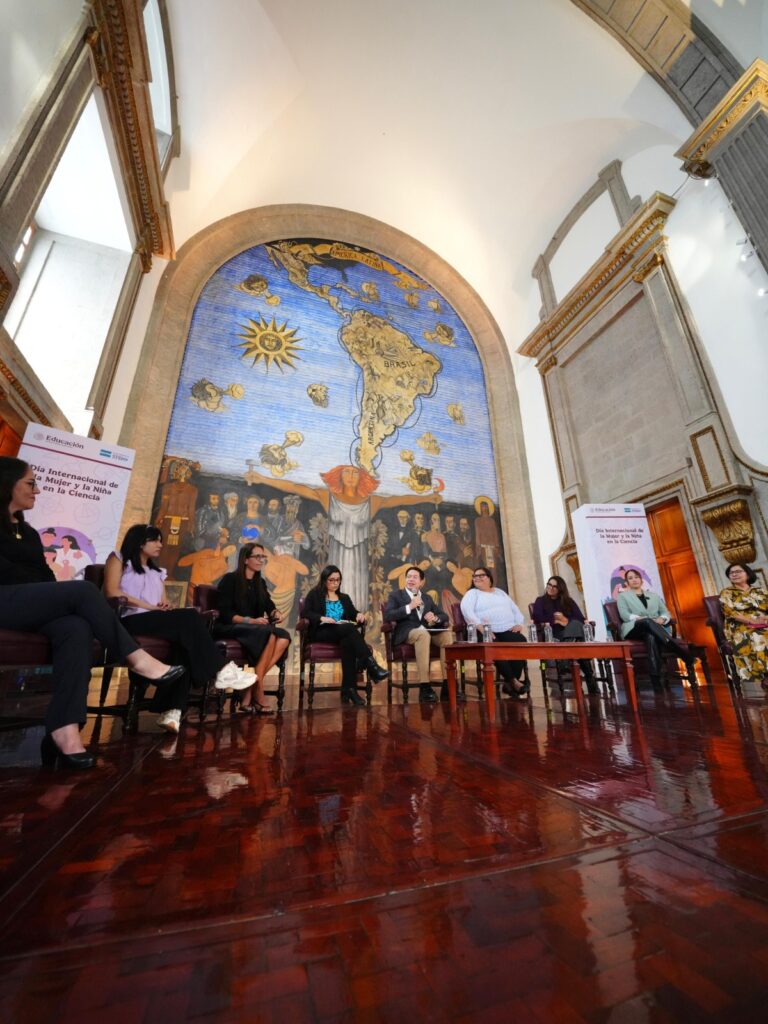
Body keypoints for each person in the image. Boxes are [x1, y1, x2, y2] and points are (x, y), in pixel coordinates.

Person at [0, 457, 185, 769]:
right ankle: (137, 659)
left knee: (75, 627)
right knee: (85, 590)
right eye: (31, 483)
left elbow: (44, 577)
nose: (38, 490)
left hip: (27, 604)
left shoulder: (29, 534)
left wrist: (47, 595)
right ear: (7, 485)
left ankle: (65, 728)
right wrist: (45, 592)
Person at [104, 524, 255, 732]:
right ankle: (220, 670)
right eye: (155, 540)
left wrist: (164, 606)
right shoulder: (119, 559)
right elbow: (111, 592)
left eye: (160, 540)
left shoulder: (157, 572)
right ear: (140, 541)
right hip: (130, 621)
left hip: (154, 619)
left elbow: (162, 601)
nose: (160, 544)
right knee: (189, 619)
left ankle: (172, 711)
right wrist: (148, 606)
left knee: (185, 642)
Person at [215, 543, 293, 713]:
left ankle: (250, 689)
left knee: (285, 636)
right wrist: (251, 621)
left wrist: (275, 612)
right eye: (257, 556)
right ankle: (258, 692)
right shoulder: (230, 580)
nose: (261, 560)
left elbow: (269, 604)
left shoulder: (260, 583)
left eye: (263, 557)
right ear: (245, 559)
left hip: (256, 628)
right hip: (231, 626)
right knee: (269, 634)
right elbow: (226, 614)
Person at [302, 564, 389, 706]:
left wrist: (359, 615)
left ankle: (350, 689)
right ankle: (372, 666)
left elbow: (353, 613)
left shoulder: (344, 597)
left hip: (341, 632)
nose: (335, 583)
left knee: (348, 642)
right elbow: (306, 613)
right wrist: (322, 618)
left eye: (338, 580)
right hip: (322, 632)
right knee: (348, 628)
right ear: (324, 580)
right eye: (332, 580)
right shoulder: (315, 594)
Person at [384, 565, 454, 702]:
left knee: (446, 635)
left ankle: (448, 685)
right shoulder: (396, 595)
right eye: (408, 576)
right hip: (407, 632)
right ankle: (425, 686)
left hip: (427, 631)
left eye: (415, 577)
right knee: (423, 635)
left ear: (422, 582)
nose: (411, 579)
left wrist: (435, 617)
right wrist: (409, 607)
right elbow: (388, 615)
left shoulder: (427, 598)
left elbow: (444, 616)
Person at [617, 568, 693, 689]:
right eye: (630, 578)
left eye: (636, 577)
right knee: (647, 622)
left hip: (652, 629)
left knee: (650, 636)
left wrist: (662, 619)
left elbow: (665, 612)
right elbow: (625, 615)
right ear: (627, 583)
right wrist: (643, 619)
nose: (634, 580)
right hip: (633, 628)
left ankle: (655, 680)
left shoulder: (653, 596)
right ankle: (677, 649)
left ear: (641, 580)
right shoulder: (623, 596)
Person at [460, 567, 529, 697]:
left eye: (481, 575)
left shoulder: (500, 592)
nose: (477, 578)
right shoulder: (473, 593)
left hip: (506, 628)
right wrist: (481, 627)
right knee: (492, 646)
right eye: (475, 576)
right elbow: (467, 611)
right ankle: (513, 681)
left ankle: (511, 682)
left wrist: (519, 623)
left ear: (489, 578)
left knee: (520, 641)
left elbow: (515, 609)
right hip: (484, 630)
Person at [532, 575, 597, 694]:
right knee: (578, 639)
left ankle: (566, 659)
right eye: (549, 585)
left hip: (570, 633)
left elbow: (580, 619)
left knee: (576, 625)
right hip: (554, 635)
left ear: (560, 589)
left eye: (555, 587)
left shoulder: (568, 601)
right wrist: (555, 620)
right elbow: (538, 617)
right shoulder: (540, 601)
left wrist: (565, 620)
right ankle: (589, 676)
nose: (551, 588)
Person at [719, 562, 768, 687]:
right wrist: (753, 621)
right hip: (740, 626)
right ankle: (765, 674)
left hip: (764, 623)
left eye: (738, 571)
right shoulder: (727, 593)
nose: (734, 574)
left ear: (747, 574)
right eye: (731, 573)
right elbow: (730, 612)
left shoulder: (760, 591)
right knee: (758, 635)